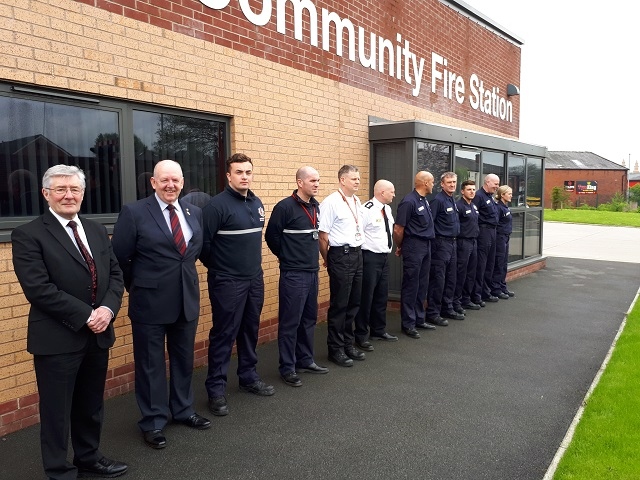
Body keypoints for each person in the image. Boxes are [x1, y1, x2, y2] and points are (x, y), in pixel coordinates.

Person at [11, 165, 128, 479]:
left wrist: (107, 309)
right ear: (46, 194)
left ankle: (89, 458)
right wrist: (87, 315)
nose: (68, 195)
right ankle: (59, 470)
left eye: (74, 189)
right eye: (60, 189)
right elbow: (39, 289)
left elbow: (115, 275)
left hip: (98, 333)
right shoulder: (28, 234)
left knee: (90, 405)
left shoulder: (95, 229)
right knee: (57, 412)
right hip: (57, 337)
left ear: (83, 193)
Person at [112, 160, 210, 450]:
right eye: (164, 180)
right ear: (153, 182)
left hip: (186, 300)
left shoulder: (195, 212)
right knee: (151, 364)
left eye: (176, 180)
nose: (171, 185)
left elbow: (191, 256)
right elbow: (120, 259)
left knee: (183, 360)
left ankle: (183, 410)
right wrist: (141, 287)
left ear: (182, 182)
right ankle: (153, 420)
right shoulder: (134, 212)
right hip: (149, 302)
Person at [201, 153, 274, 416]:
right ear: (228, 176)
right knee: (224, 334)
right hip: (227, 281)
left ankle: (248, 377)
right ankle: (216, 390)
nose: (245, 176)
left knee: (249, 330)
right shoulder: (216, 206)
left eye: (248, 172)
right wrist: (222, 270)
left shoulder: (256, 202)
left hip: (254, 278)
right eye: (239, 172)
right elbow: (203, 247)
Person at [265, 167, 328, 387]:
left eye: (318, 180)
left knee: (309, 319)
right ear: (300, 182)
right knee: (290, 322)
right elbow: (271, 236)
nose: (317, 184)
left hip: (312, 272)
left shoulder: (316, 206)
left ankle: (305, 360)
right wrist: (286, 256)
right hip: (293, 274)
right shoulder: (285, 207)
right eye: (312, 180)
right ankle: (287, 367)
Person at [318, 165, 366, 367]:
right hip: (341, 255)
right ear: (342, 180)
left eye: (358, 178)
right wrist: (329, 260)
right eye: (353, 178)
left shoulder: (356, 201)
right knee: (340, 305)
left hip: (357, 254)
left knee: (354, 302)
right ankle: (335, 349)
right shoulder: (331, 202)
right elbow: (322, 236)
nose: (357, 182)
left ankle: (348, 343)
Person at [353, 179, 399, 350]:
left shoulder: (386, 209)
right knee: (366, 297)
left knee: (381, 295)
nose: (394, 194)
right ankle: (361, 335)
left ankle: (378, 330)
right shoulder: (366, 210)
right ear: (382, 193)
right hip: (369, 258)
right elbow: (359, 234)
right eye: (391, 191)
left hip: (384, 258)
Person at [393, 171, 436, 339]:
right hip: (414, 245)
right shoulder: (408, 202)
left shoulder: (424, 200)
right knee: (411, 284)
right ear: (424, 183)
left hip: (426, 245)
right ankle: (408, 323)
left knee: (422, 283)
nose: (434, 184)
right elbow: (398, 229)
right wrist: (400, 245)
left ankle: (419, 318)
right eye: (432, 181)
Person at [425, 172, 463, 325]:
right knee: (438, 280)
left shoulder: (451, 199)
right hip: (441, 244)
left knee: (451, 278)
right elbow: (430, 224)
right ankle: (433, 313)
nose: (452, 185)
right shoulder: (438, 200)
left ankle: (447, 308)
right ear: (442, 184)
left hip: (453, 244)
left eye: (454, 182)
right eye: (449, 182)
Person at [453, 180, 481, 313]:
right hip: (463, 243)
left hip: (474, 242)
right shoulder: (459, 206)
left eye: (473, 189)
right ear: (462, 191)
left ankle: (466, 299)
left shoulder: (473, 206)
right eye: (469, 189)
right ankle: (456, 302)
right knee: (461, 273)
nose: (472, 192)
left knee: (471, 273)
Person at [472, 173, 500, 305]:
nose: (497, 187)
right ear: (487, 182)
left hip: (492, 232)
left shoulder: (490, 197)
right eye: (495, 184)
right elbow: (474, 216)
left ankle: (486, 292)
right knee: (481, 265)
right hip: (483, 232)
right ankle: (477, 295)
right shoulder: (478, 196)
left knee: (490, 263)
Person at [490, 185, 514, 299]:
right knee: (499, 264)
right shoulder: (498, 208)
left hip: (506, 237)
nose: (511, 196)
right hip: (500, 238)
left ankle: (502, 286)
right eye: (509, 193)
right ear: (502, 194)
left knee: (504, 264)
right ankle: (496, 289)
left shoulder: (506, 207)